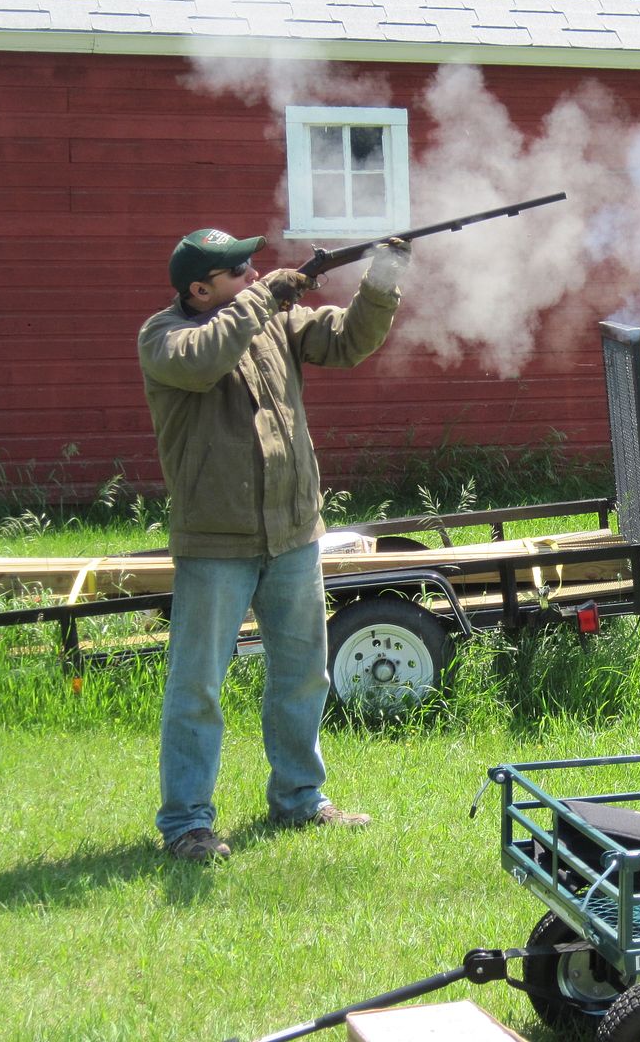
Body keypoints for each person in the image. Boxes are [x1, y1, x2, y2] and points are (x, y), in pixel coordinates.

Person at [138, 228, 410, 863]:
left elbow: (348, 341)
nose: (253, 272)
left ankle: (299, 798)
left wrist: (382, 279)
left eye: (251, 264)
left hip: (292, 533)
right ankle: (185, 823)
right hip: (215, 542)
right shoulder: (165, 337)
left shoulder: (269, 319)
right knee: (198, 687)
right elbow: (205, 359)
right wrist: (262, 300)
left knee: (301, 675)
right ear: (199, 289)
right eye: (237, 270)